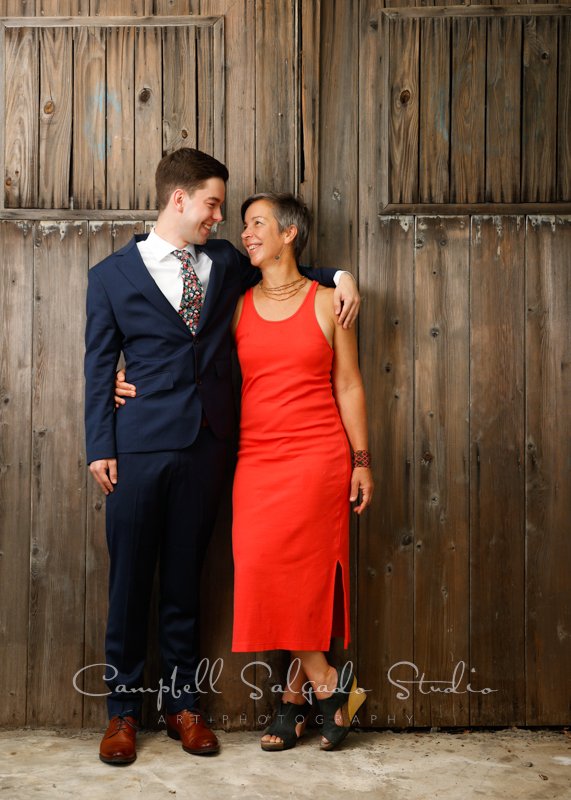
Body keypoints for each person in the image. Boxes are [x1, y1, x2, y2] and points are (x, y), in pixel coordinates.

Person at [84, 148, 360, 765]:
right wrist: (99, 442)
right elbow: (98, 364)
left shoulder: (227, 263)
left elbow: (290, 269)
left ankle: (185, 708)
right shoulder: (110, 276)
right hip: (134, 450)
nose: (219, 218)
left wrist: (340, 277)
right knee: (129, 584)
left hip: (209, 448)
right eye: (211, 203)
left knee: (185, 580)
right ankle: (122, 714)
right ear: (178, 199)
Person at [230, 193, 373, 752]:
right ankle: (328, 685)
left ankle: (295, 702)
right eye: (243, 227)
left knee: (306, 581)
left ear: (290, 233)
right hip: (256, 461)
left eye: (257, 224)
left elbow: (350, 384)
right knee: (267, 571)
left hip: (317, 458)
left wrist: (361, 461)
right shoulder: (236, 302)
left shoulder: (328, 301)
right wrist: (128, 377)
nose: (246, 234)